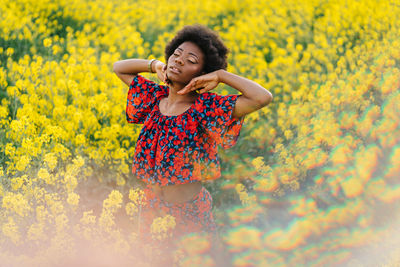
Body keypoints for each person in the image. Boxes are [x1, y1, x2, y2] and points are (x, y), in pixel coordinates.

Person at [113, 24, 272, 259]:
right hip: (150, 208)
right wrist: (155, 65)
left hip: (189, 214)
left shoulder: (206, 108)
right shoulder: (154, 98)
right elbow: (119, 68)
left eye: (191, 60)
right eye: (176, 55)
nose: (178, 61)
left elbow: (262, 98)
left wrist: (220, 76)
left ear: (202, 73)